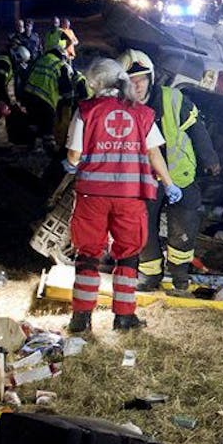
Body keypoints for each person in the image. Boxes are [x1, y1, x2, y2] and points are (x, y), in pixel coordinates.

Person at [62, 58, 182, 334]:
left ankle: (81, 318)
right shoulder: (141, 113)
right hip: (130, 197)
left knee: (88, 254)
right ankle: (124, 318)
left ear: (95, 83)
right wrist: (169, 183)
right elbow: (154, 153)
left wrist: (70, 164)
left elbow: (74, 155)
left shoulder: (87, 111)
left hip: (92, 196)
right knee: (128, 256)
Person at [124, 50, 220, 292]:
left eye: (142, 79)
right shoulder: (121, 107)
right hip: (144, 180)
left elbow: (196, 129)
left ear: (151, 78)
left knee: (183, 227)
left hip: (179, 176)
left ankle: (179, 274)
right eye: (131, 80)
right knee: (144, 228)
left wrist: (210, 159)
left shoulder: (173, 99)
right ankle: (150, 275)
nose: (137, 85)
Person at [19, 30, 77, 154]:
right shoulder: (60, 65)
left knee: (33, 122)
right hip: (45, 99)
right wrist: (69, 104)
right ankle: (49, 150)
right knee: (47, 125)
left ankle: (30, 145)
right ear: (61, 55)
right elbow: (66, 89)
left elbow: (26, 76)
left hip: (29, 95)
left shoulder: (40, 60)